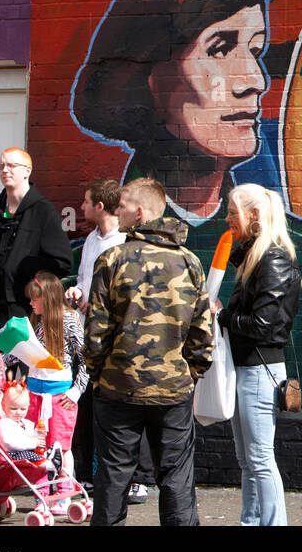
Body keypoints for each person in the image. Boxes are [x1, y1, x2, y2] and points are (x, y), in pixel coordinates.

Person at [73, 0, 302, 409]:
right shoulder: (100, 257)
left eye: (255, 49)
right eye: (220, 48)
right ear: (147, 79)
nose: (254, 79)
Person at [84, 177, 213, 526]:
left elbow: (96, 331)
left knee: (112, 480)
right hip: (173, 390)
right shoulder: (189, 262)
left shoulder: (111, 261)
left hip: (117, 388)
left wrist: (97, 375)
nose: (117, 210)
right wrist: (191, 374)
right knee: (176, 481)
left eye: (122, 205)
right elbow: (202, 334)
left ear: (139, 213)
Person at [214, 183, 300, 526]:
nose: (227, 218)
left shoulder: (273, 258)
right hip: (249, 369)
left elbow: (262, 325)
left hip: (259, 372)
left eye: (233, 211)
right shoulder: (257, 256)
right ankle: (251, 521)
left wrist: (221, 315)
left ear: (254, 214)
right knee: (248, 460)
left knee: (260, 458)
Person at [63, 178, 148, 502]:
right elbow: (85, 281)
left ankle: (137, 477)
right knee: (85, 403)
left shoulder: (124, 243)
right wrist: (77, 292)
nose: (82, 207)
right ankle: (85, 475)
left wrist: (97, 303)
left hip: (116, 339)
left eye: (86, 202)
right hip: (87, 335)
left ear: (100, 206)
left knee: (124, 407)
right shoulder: (90, 241)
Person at [0, 147, 72, 335]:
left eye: (11, 165)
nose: (5, 170)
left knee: (22, 362)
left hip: (24, 308)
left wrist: (24, 270)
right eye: (1, 166)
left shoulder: (44, 211)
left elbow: (62, 262)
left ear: (27, 170)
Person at [24, 272, 86, 511]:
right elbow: (17, 354)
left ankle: (63, 493)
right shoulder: (35, 322)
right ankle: (40, 494)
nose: (31, 303)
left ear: (47, 298)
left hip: (61, 396)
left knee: (62, 447)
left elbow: (86, 359)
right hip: (34, 395)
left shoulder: (69, 321)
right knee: (37, 446)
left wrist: (76, 391)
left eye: (34, 298)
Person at [0, 382, 46, 460]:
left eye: (23, 409)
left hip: (25, 451)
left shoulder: (25, 423)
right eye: (13, 409)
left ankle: (48, 458)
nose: (18, 412)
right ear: (3, 406)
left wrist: (37, 436)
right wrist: (33, 443)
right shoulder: (5, 424)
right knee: (32, 456)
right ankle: (49, 464)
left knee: (41, 452)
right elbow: (11, 443)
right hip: (11, 454)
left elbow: (29, 437)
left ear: (28, 407)